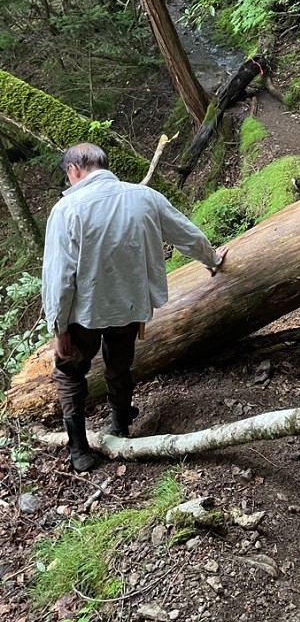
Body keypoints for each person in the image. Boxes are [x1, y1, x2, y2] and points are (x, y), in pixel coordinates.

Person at [42, 142, 229, 473]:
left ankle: (80, 451)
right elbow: (185, 234)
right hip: (130, 306)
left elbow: (59, 277)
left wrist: (58, 330)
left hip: (83, 314)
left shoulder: (67, 211)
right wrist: (211, 259)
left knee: (70, 372)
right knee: (119, 366)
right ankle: (119, 424)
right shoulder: (144, 197)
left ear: (74, 170)